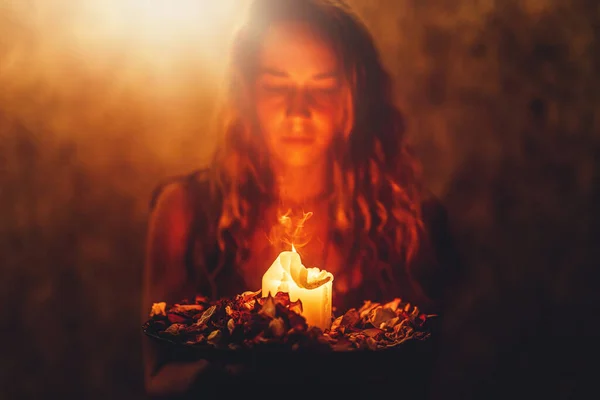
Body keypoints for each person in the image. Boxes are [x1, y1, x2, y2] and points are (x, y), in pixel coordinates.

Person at [141, 0, 462, 397]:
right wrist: (232, 369)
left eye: (322, 88)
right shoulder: (185, 213)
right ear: (247, 94)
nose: (298, 111)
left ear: (354, 100)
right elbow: (158, 384)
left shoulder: (411, 221)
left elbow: (430, 377)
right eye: (277, 86)